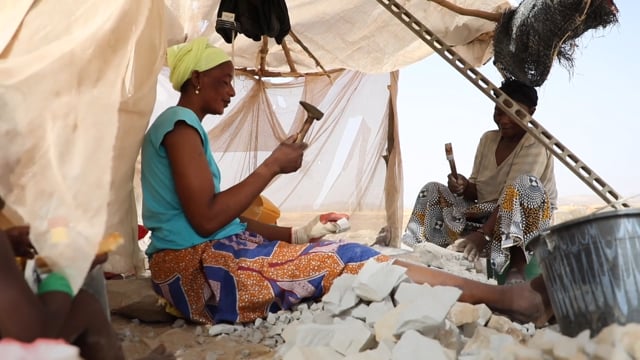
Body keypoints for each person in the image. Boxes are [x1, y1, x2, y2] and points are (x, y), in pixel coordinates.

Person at [140, 37, 554, 328]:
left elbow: (230, 221)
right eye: (225, 79)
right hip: (197, 271)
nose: (231, 89)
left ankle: (500, 275)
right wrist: (270, 167)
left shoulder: (185, 128)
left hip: (210, 254)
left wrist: (301, 232)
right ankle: (505, 298)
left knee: (333, 251)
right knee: (351, 257)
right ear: (195, 78)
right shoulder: (180, 127)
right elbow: (208, 219)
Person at [402, 79, 557, 285]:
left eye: (514, 113)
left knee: (526, 185)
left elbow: (513, 194)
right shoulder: (488, 139)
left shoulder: (535, 143)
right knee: (432, 190)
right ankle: (425, 254)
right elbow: (477, 191)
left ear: (532, 112)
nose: (504, 120)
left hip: (521, 222)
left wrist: (481, 236)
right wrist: (463, 186)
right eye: (498, 111)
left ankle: (517, 268)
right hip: (485, 214)